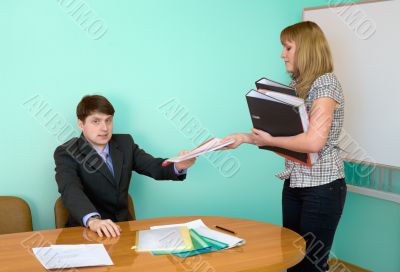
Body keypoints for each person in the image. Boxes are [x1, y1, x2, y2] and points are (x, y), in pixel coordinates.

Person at [224, 21, 347, 272]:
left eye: (288, 48)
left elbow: (314, 141)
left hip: (322, 188)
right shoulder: (298, 87)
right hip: (295, 183)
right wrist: (244, 138)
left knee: (311, 265)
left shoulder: (326, 84)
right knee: (292, 259)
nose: (282, 54)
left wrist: (268, 140)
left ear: (306, 50)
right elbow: (281, 135)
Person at [54, 95, 195, 238]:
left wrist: (179, 165)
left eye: (108, 120)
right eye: (96, 121)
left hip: (123, 230)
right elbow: (70, 189)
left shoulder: (125, 143)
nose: (104, 128)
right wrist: (93, 220)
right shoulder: (67, 151)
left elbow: (153, 166)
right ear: (81, 124)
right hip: (87, 232)